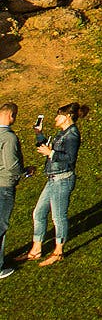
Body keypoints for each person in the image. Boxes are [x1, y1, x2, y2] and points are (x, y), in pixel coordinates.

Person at [26, 102, 86, 266]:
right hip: (52, 179)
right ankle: (36, 249)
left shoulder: (72, 135)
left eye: (58, 115)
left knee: (58, 217)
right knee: (38, 213)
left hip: (62, 180)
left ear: (67, 117)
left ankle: (58, 252)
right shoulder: (62, 133)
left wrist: (50, 153)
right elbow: (50, 148)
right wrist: (39, 135)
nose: (55, 118)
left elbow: (70, 158)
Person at [0, 103, 22, 279]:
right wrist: (24, 171)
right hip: (4, 186)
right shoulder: (8, 137)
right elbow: (11, 165)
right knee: (1, 226)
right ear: (11, 115)